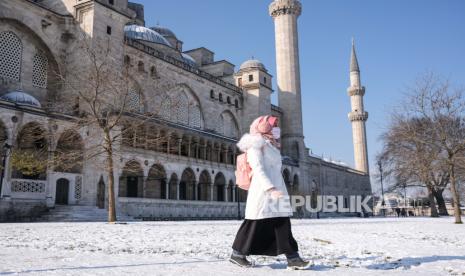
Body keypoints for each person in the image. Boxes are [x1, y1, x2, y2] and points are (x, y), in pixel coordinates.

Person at [229, 115, 310, 270]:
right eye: (273, 126)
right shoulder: (255, 145)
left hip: (276, 191)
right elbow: (258, 169)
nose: (276, 129)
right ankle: (237, 254)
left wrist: (277, 189)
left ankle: (293, 258)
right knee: (254, 223)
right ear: (264, 127)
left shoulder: (270, 144)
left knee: (282, 223)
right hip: (263, 192)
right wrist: (270, 188)